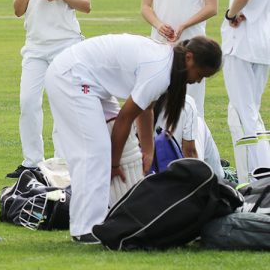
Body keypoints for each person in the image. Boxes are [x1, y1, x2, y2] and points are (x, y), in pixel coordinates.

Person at [44, 34, 222, 243]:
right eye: (200, 74)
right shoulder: (160, 71)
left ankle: (118, 219)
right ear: (189, 58)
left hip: (91, 81)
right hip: (72, 77)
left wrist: (147, 151)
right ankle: (84, 228)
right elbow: (124, 120)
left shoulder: (168, 64)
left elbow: (146, 108)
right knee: (95, 152)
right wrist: (113, 164)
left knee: (129, 155)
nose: (198, 80)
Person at [7, 0, 95, 178]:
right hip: (34, 47)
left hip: (66, 45)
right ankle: (31, 162)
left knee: (61, 103)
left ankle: (61, 161)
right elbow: (18, 10)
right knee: (28, 103)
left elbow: (87, 6)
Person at [216, 0, 270, 183]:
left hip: (241, 45)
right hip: (263, 46)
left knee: (244, 111)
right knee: (247, 109)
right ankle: (257, 174)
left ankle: (262, 175)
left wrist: (231, 14)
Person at [154, 94, 224, 178]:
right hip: (178, 176)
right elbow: (190, 154)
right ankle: (219, 177)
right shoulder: (186, 103)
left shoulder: (139, 99)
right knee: (199, 123)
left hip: (150, 176)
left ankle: (218, 176)